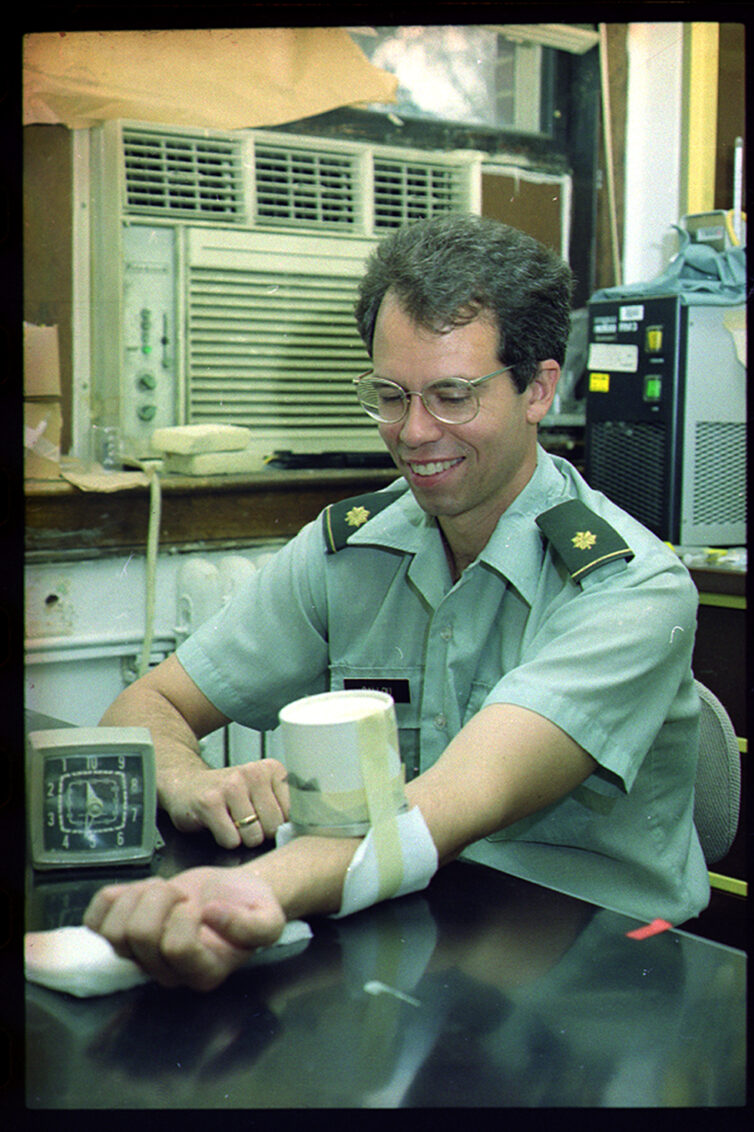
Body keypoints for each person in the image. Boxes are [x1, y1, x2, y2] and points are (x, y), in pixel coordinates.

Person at [84, 214, 709, 990]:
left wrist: (256, 887)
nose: (414, 433)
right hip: (412, 928)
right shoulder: (351, 545)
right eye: (389, 395)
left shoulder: (630, 586)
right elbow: (147, 706)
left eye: (451, 395)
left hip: (602, 972)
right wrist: (191, 779)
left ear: (539, 388)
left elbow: (452, 803)